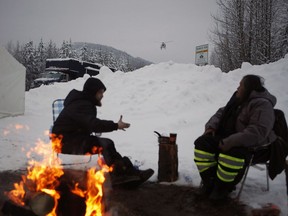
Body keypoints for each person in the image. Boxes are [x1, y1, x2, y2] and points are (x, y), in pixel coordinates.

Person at [52, 77, 154, 185]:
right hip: (65, 142)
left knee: (107, 143)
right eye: (100, 92)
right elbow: (94, 124)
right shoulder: (81, 104)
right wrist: (115, 125)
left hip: (72, 139)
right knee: (106, 143)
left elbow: (89, 124)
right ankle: (121, 176)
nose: (102, 95)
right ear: (92, 91)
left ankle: (125, 173)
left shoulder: (82, 103)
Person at [194, 74, 277, 200]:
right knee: (202, 143)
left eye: (240, 85)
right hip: (228, 138)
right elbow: (220, 113)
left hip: (252, 146)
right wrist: (211, 127)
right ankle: (210, 182)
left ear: (249, 88)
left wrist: (231, 141)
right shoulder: (238, 99)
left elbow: (257, 132)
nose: (238, 88)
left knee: (231, 154)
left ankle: (222, 188)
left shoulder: (262, 105)